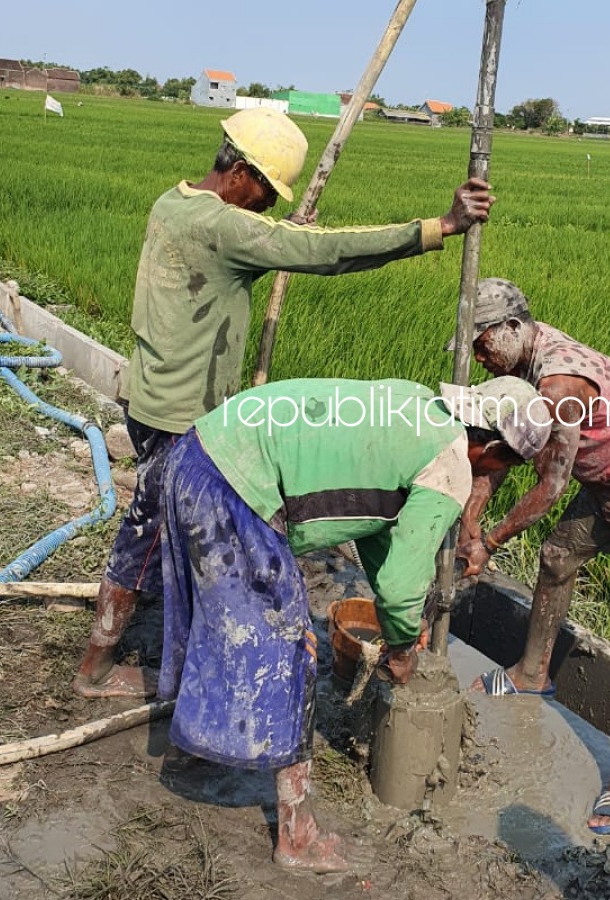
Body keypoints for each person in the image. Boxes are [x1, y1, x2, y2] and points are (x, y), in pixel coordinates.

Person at [72, 107, 496, 698]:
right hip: (179, 419)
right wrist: (437, 228)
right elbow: (329, 253)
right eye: (268, 189)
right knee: (147, 539)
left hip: (147, 399)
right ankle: (98, 668)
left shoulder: (175, 203)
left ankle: (182, 648)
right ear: (240, 172)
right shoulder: (229, 228)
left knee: (173, 533)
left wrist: (281, 233)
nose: (270, 202)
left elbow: (264, 243)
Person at [156, 376, 548, 872]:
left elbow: (374, 519)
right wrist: (403, 648)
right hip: (237, 487)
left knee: (219, 620)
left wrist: (396, 616)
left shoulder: (414, 402)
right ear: (491, 449)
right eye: (506, 466)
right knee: (292, 650)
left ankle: (198, 746)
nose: (499, 475)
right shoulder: (449, 467)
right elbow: (404, 586)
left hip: (202, 449)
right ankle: (297, 835)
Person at [451, 278, 610, 837]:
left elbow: (548, 486)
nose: (478, 357)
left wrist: (491, 543)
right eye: (471, 348)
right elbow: (494, 461)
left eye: (482, 343)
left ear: (515, 329)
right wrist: (468, 527)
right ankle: (531, 672)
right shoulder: (512, 376)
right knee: (557, 556)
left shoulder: (560, 381)